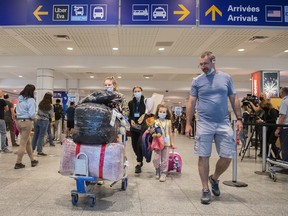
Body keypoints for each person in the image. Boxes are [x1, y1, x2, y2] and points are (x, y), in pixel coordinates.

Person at [185, 51, 243, 204]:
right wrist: (188, 123)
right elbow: (191, 102)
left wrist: (239, 118)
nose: (203, 67)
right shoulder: (197, 81)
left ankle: (214, 178)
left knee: (227, 156)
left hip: (223, 123)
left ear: (213, 61)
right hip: (204, 123)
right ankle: (205, 188)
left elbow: (233, 98)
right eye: (201, 64)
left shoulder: (226, 78)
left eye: (205, 63)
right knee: (203, 156)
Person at [15, 84, 38, 169]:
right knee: (23, 143)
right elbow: (32, 114)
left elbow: (16, 110)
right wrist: (36, 117)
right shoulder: (31, 100)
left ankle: (32, 160)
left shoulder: (20, 99)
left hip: (18, 121)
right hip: (26, 122)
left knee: (28, 141)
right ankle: (18, 162)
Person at [151, 104, 173, 182]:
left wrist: (172, 143)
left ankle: (164, 172)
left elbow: (170, 133)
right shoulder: (155, 121)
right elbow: (151, 131)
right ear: (158, 112)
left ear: (166, 113)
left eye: (164, 112)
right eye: (160, 111)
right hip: (157, 142)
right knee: (156, 158)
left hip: (166, 142)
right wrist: (151, 131)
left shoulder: (169, 122)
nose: (162, 113)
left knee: (165, 158)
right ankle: (157, 169)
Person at [128, 86, 146, 173]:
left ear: (141, 92)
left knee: (139, 144)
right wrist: (131, 120)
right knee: (134, 145)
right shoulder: (131, 103)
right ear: (133, 92)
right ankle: (140, 157)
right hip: (133, 127)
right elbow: (130, 114)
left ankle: (139, 162)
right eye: (135, 91)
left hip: (142, 127)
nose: (137, 92)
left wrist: (144, 116)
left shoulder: (145, 102)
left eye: (138, 91)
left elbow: (149, 114)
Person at [275, 87, 288, 161]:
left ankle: (285, 166)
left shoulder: (284, 102)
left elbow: (282, 116)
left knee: (285, 148)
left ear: (282, 93)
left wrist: (278, 128)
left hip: (285, 128)